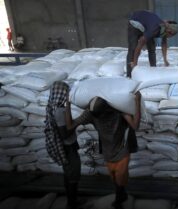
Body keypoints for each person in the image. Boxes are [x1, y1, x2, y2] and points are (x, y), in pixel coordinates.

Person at [66, 93, 142, 209]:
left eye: (103, 115)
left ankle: (119, 198)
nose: (100, 118)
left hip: (122, 146)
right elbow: (70, 126)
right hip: (107, 148)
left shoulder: (119, 109)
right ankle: (122, 195)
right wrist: (68, 105)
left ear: (108, 108)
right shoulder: (91, 113)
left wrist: (137, 101)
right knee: (113, 176)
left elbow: (135, 126)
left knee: (120, 176)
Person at [44, 81, 81, 209]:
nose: (68, 95)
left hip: (67, 146)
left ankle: (72, 201)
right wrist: (77, 122)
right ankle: (72, 204)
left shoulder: (52, 106)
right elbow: (64, 134)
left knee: (68, 174)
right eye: (66, 93)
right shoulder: (59, 111)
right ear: (61, 93)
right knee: (73, 175)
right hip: (68, 147)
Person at [126, 10, 178, 77]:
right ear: (169, 31)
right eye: (172, 35)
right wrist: (135, 64)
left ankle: (153, 69)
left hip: (146, 25)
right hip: (135, 23)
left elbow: (164, 44)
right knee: (133, 48)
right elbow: (140, 45)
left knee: (151, 48)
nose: (171, 37)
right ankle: (129, 74)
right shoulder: (154, 29)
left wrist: (165, 60)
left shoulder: (165, 29)